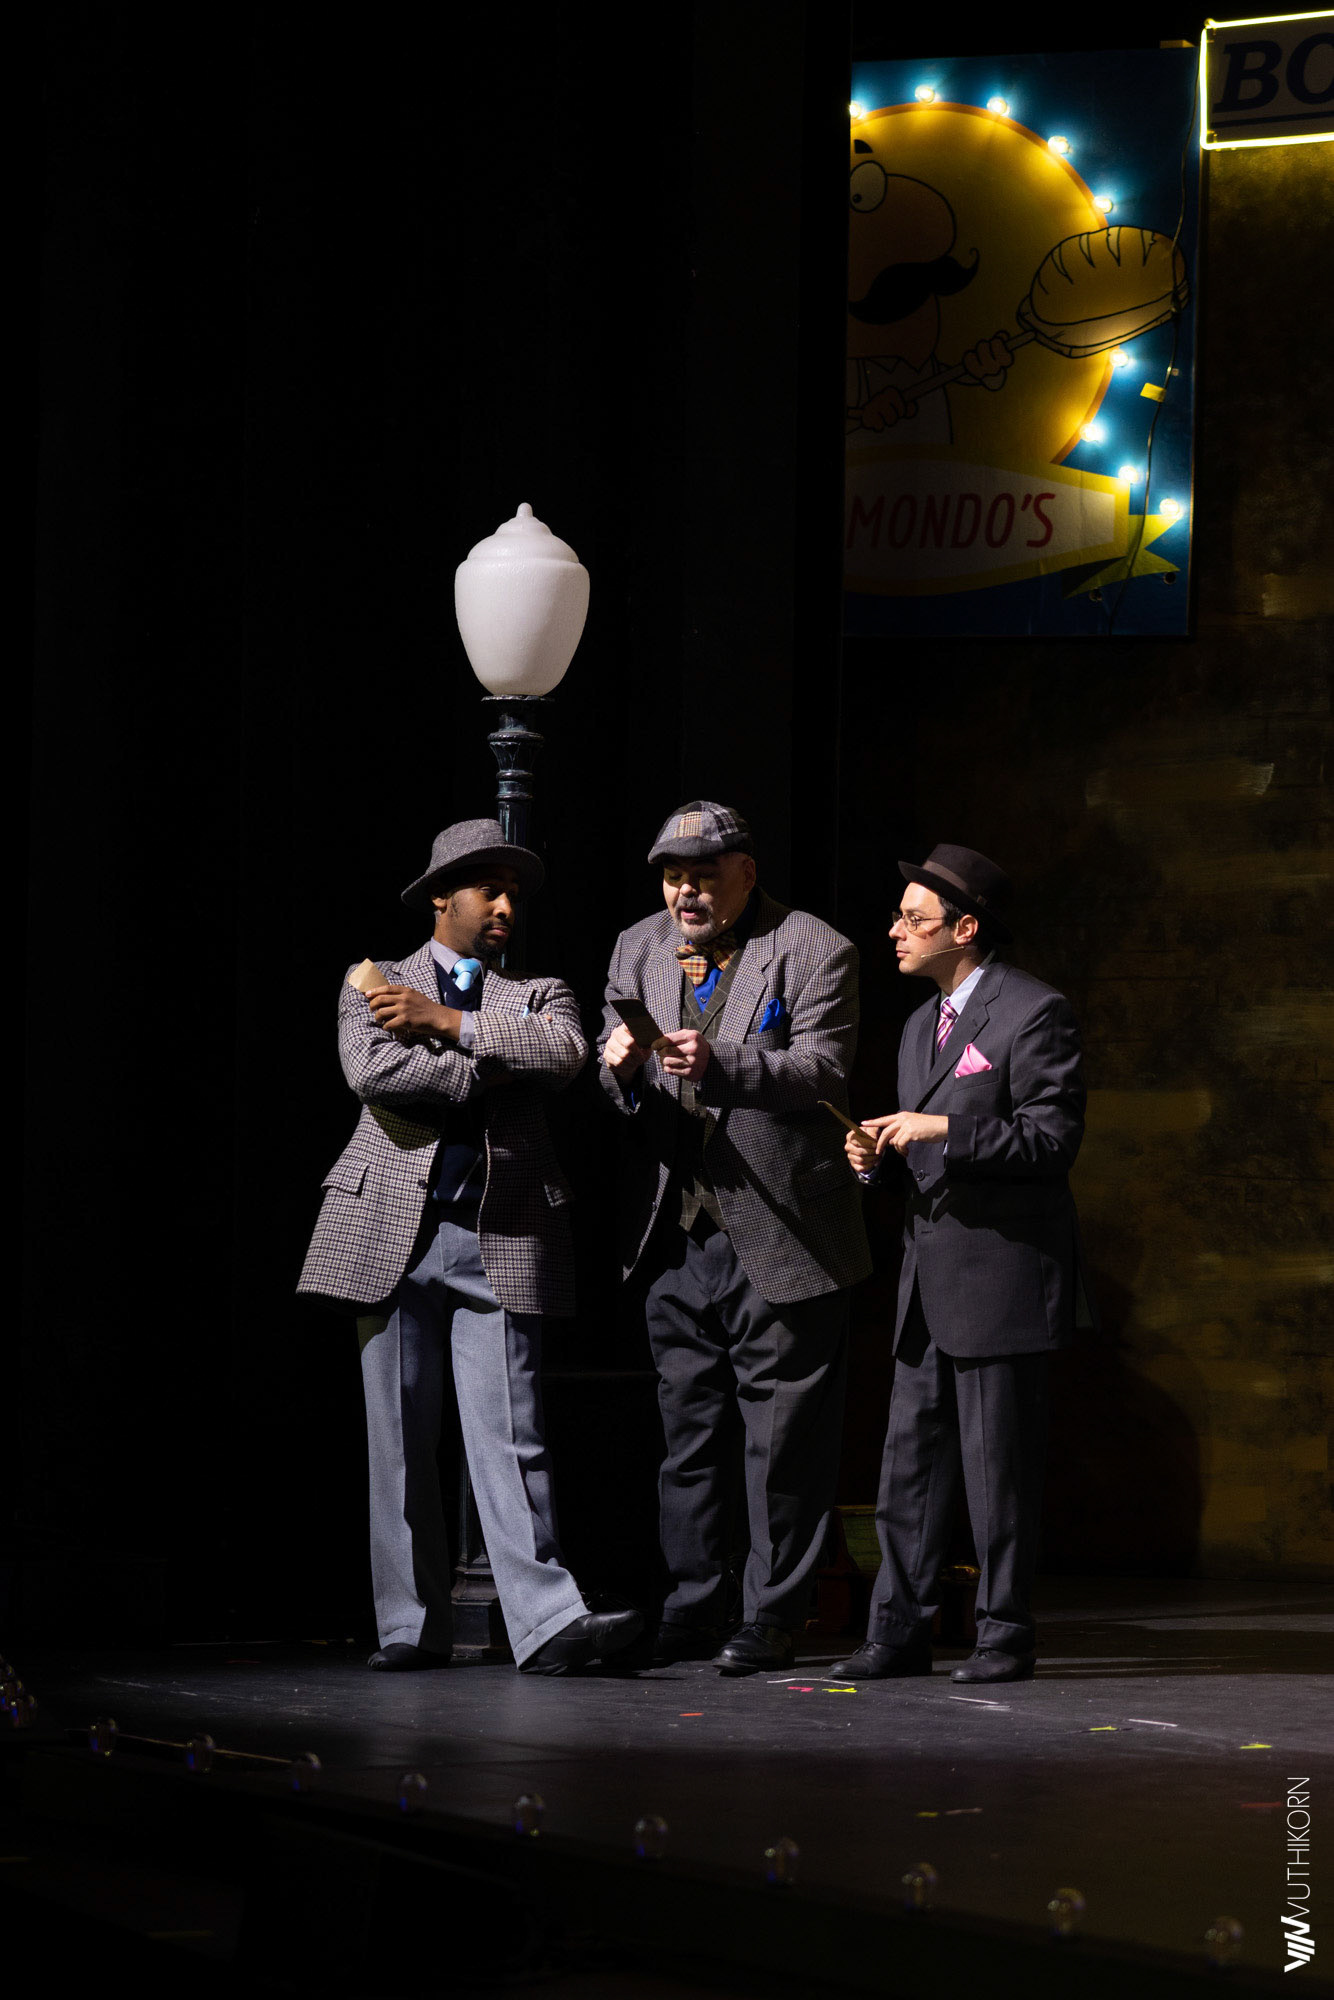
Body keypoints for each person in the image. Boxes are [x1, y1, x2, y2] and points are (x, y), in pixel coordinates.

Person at [298, 819, 641, 1675]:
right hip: (391, 1232)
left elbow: (564, 1053)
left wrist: (443, 1022)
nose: (505, 907)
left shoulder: (539, 991)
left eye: (515, 894)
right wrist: (484, 1061)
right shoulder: (374, 980)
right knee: (399, 1439)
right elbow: (372, 1072)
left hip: (502, 1232)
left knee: (512, 1435)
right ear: (441, 897)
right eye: (490, 890)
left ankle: (548, 1624)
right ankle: (410, 1626)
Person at [598, 802, 871, 1676]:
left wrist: (723, 1064)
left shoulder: (814, 947)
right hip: (676, 1231)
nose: (685, 892)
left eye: (703, 875)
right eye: (673, 877)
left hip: (782, 1227)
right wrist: (621, 1073)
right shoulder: (637, 947)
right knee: (687, 1437)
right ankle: (690, 1605)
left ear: (746, 873)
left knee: (780, 1445)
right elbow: (616, 1072)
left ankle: (772, 1614)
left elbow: (821, 1069)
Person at [832, 844, 1093, 1686]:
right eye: (899, 916)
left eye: (914, 919)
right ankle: (896, 1631)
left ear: (966, 928)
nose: (896, 931)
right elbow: (924, 1151)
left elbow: (1052, 1140)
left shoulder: (1034, 1012)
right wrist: (877, 1157)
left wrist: (942, 1129)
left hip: (1002, 1279)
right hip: (927, 1283)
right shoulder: (921, 1026)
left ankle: (1004, 1634)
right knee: (907, 1468)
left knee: (997, 1473)